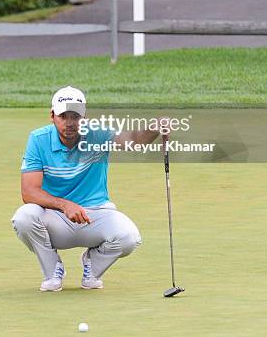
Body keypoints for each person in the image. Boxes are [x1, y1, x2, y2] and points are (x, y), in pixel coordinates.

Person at [12, 86, 164, 292]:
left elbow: (133, 142)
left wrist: (154, 129)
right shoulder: (38, 139)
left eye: (75, 116)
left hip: (96, 215)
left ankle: (92, 266)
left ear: (84, 117)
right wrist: (65, 205)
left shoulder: (97, 135)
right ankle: (52, 270)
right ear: (52, 116)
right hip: (55, 219)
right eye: (63, 116)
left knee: (129, 237)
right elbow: (29, 192)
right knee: (24, 217)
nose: (69, 123)